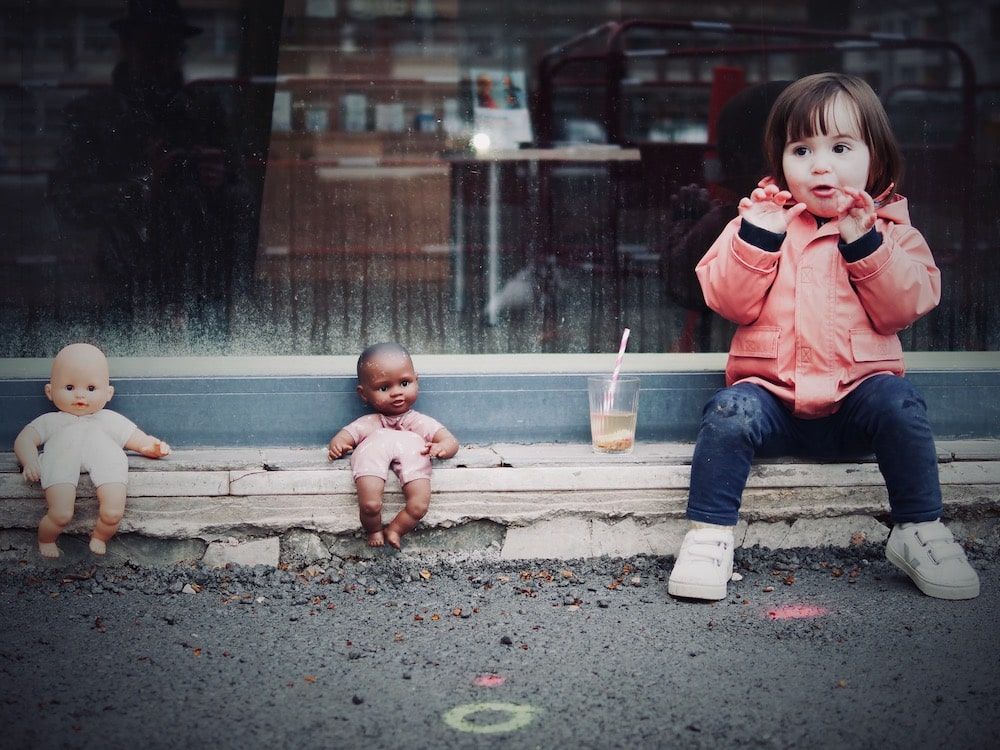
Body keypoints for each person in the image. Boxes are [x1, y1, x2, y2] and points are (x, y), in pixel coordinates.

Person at [667, 73, 980, 601]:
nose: (820, 165)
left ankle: (918, 529)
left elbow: (903, 309)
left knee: (900, 404)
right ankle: (709, 534)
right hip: (772, 403)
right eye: (801, 149)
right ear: (779, 161)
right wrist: (758, 238)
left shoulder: (891, 229)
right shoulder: (759, 221)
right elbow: (725, 300)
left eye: (840, 147)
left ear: (874, 157)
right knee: (727, 412)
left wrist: (866, 245)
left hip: (855, 404)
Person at [49, 0, 254, 331]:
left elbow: (245, 203)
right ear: (127, 48)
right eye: (151, 48)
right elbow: (68, 202)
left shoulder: (205, 111)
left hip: (197, 275)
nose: (161, 60)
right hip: (122, 278)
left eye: (171, 49)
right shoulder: (93, 116)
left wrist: (220, 182)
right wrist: (144, 184)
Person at [13, 343, 171, 558]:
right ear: (49, 391)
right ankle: (46, 538)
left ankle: (99, 536)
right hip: (60, 461)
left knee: (113, 512)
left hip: (106, 461)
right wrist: (30, 460)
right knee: (60, 513)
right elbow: (24, 440)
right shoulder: (51, 422)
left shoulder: (108, 420)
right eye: (69, 388)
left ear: (108, 393)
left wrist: (152, 447)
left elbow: (137, 439)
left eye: (90, 388)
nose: (80, 396)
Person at [327, 343, 460, 549]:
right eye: (384, 387)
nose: (396, 393)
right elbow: (343, 438)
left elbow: (451, 442)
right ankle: (373, 529)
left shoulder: (419, 423)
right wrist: (338, 446)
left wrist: (440, 448)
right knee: (370, 504)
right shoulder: (371, 423)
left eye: (405, 383)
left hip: (414, 458)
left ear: (417, 380)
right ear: (364, 394)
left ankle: (396, 529)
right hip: (372, 458)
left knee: (419, 505)